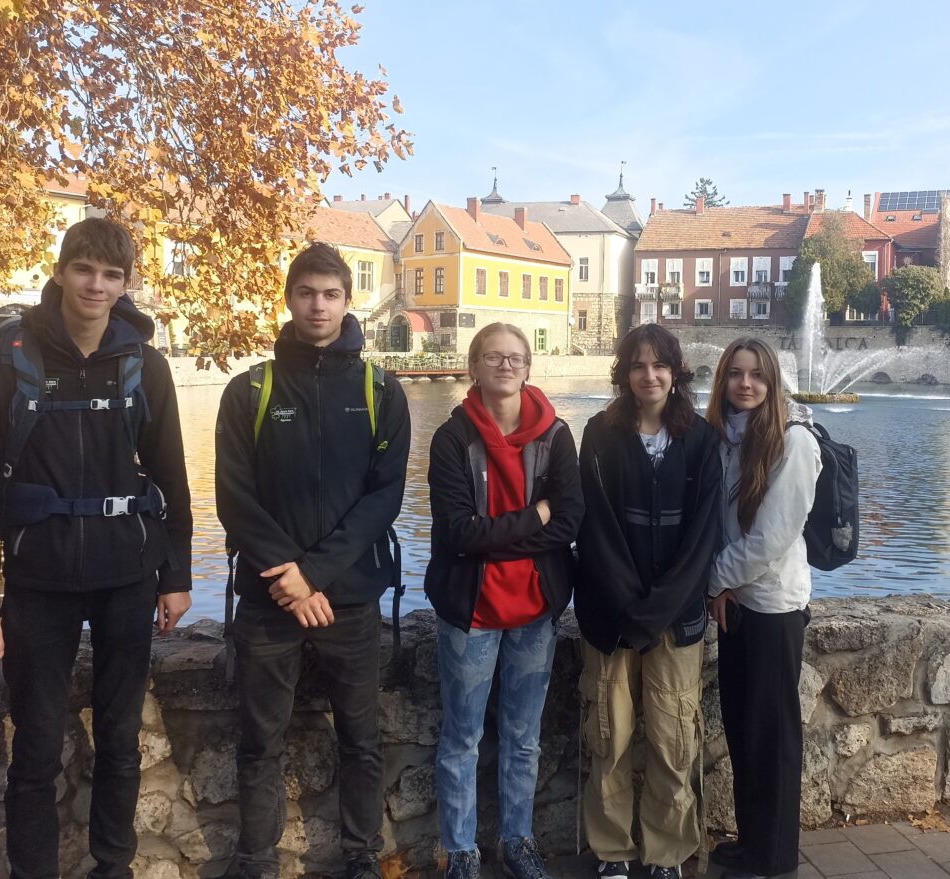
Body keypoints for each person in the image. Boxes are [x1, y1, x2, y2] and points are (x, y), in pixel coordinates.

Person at [0, 217, 194, 878]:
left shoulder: (145, 366)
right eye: (84, 269)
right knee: (34, 747)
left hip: (127, 578)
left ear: (125, 284)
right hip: (38, 581)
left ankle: (113, 866)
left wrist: (176, 575)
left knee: (120, 740)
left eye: (112, 275)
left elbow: (172, 479)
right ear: (59, 272)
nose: (96, 285)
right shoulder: (3, 365)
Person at [215, 242, 411, 879]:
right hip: (269, 597)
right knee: (258, 741)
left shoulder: (380, 390)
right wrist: (290, 577)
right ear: (289, 300)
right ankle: (256, 860)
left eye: (330, 294)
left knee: (360, 739)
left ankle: (361, 855)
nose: (318, 306)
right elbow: (234, 497)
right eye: (306, 293)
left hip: (349, 597)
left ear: (348, 301)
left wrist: (314, 574)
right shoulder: (251, 389)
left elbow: (384, 498)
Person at [425, 322, 584, 879]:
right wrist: (534, 516)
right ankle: (461, 852)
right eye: (492, 357)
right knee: (462, 738)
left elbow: (569, 520)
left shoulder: (556, 436)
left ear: (528, 367)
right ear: (474, 367)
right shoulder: (452, 439)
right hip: (471, 610)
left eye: (515, 357)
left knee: (523, 738)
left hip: (534, 609)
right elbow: (458, 533)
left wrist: (495, 535)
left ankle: (518, 841)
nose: (505, 366)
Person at [574, 323, 721, 879]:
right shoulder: (600, 433)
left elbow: (703, 537)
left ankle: (666, 852)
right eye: (638, 365)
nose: (649, 375)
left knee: (672, 737)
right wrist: (630, 607)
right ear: (624, 374)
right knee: (608, 737)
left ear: (676, 373)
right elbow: (595, 528)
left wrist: (658, 608)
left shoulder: (701, 440)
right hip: (610, 617)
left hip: (675, 620)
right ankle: (612, 850)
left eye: (660, 365)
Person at [705, 337, 822, 879]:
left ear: (773, 381)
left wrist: (715, 581)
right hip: (737, 603)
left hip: (774, 607)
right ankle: (752, 841)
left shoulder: (793, 441)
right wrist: (723, 588)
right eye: (735, 373)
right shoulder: (728, 437)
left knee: (772, 736)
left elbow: (771, 538)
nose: (745, 384)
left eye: (757, 375)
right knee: (743, 729)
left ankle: (773, 859)